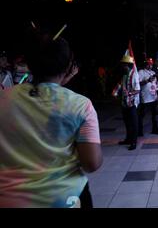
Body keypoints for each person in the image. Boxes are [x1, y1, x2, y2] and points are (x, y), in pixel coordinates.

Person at [0, 35, 102, 207]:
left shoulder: (5, 98)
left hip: (11, 199)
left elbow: (43, 92)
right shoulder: (80, 105)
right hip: (67, 198)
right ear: (69, 66)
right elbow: (91, 163)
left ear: (30, 64)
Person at [116, 55, 140, 150]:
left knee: (134, 123)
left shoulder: (134, 75)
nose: (122, 67)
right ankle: (128, 139)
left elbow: (137, 90)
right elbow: (122, 86)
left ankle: (134, 142)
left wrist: (128, 93)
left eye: (124, 65)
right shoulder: (125, 75)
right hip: (124, 103)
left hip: (132, 103)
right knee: (127, 122)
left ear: (128, 65)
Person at [138, 58, 158, 136]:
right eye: (148, 64)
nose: (150, 65)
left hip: (153, 97)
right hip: (145, 98)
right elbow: (138, 83)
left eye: (151, 64)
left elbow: (156, 85)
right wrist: (148, 80)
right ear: (145, 64)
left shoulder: (153, 72)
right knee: (142, 115)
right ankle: (139, 131)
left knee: (154, 115)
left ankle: (155, 129)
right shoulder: (141, 72)